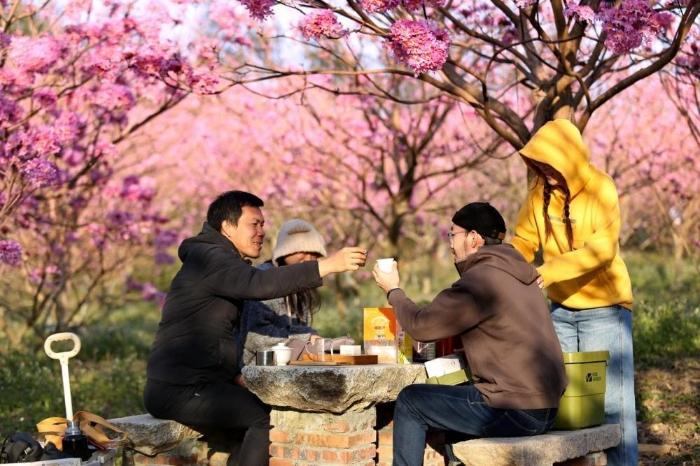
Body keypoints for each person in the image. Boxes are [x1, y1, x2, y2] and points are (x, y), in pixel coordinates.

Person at [144, 191, 367, 466]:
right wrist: (328, 265)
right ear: (227, 227)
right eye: (254, 224)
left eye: (263, 224)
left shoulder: (217, 259)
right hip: (180, 389)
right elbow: (258, 284)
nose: (262, 232)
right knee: (264, 418)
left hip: (201, 384)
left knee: (263, 411)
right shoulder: (209, 258)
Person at [372, 202, 567, 466]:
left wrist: (393, 291)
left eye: (453, 235)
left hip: (514, 410)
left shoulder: (481, 280)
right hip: (548, 408)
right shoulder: (519, 273)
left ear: (474, 238)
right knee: (457, 397)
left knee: (411, 401)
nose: (450, 244)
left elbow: (421, 326)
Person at [511, 119, 636, 466]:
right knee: (564, 406)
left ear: (569, 160)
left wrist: (548, 271)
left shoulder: (601, 187)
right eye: (540, 165)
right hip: (560, 310)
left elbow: (602, 250)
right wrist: (505, 264)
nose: (546, 172)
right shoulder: (539, 194)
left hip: (605, 310)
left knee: (612, 408)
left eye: (552, 164)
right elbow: (524, 240)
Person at [238, 219, 351, 366]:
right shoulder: (265, 280)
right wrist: (306, 339)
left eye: (314, 253)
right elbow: (255, 337)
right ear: (285, 252)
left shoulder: (302, 284)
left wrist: (312, 337)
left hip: (290, 365)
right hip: (258, 366)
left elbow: (297, 328)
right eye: (302, 251)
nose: (309, 258)